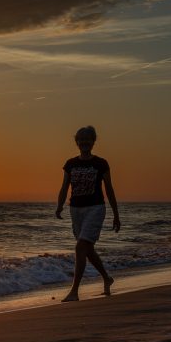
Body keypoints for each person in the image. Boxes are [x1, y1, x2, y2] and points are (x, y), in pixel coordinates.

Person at [55, 125, 121, 302]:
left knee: (80, 247)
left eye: (88, 139)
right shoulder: (70, 164)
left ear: (93, 141)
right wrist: (59, 205)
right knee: (87, 249)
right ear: (76, 142)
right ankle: (107, 278)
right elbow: (64, 187)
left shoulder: (100, 163)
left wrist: (116, 214)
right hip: (75, 210)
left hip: (95, 209)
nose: (84, 142)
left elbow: (109, 189)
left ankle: (74, 291)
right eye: (81, 139)